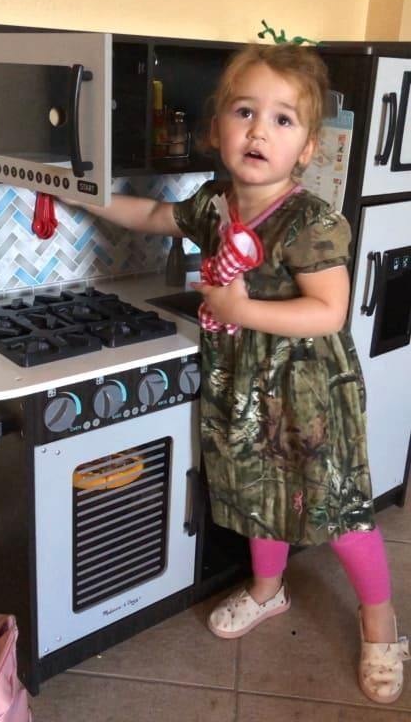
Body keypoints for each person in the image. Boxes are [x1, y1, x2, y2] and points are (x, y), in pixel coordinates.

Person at [63, 42, 409, 704]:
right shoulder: (216, 204)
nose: (259, 131)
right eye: (245, 112)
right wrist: (81, 195)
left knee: (340, 512)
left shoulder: (310, 222)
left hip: (310, 397)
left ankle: (381, 624)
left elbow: (329, 312)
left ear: (307, 148)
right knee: (255, 495)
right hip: (244, 388)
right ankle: (267, 590)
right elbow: (154, 216)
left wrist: (241, 309)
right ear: (217, 126)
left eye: (283, 119)